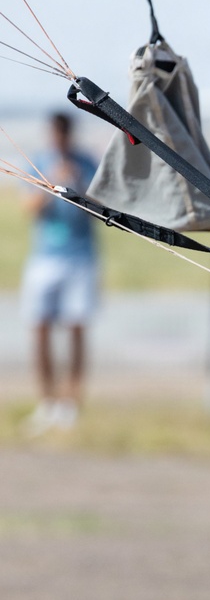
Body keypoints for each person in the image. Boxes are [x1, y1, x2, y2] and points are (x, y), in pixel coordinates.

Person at [21, 111, 100, 434]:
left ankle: (71, 403)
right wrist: (49, 184)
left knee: (76, 325)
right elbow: (27, 210)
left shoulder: (86, 163)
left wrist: (77, 182)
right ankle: (46, 401)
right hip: (45, 256)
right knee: (39, 326)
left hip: (80, 256)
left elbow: (99, 209)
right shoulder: (38, 161)